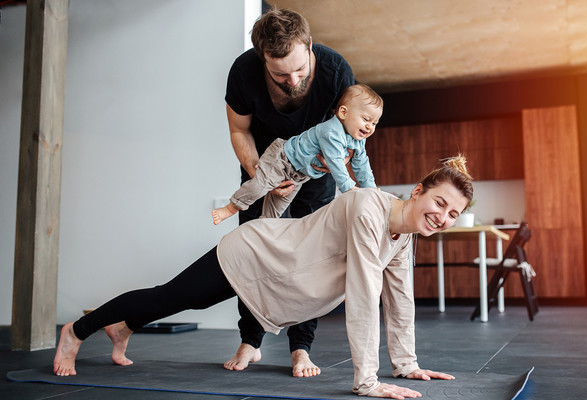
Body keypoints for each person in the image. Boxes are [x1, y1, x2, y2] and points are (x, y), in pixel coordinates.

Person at [53, 155, 474, 398]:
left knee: (185, 300)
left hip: (282, 276)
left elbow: (400, 301)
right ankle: (77, 330)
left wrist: (406, 365)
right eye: (440, 203)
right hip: (257, 252)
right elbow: (364, 295)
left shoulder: (402, 238)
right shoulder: (369, 208)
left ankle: (123, 327)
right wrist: (367, 381)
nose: (443, 217)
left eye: (453, 214)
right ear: (418, 191)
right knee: (174, 297)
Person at [224, 8, 355, 376]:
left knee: (309, 262)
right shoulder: (244, 72)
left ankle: (301, 348)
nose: (292, 80)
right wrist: (259, 173)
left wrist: (327, 166)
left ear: (309, 45)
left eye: (300, 69)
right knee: (253, 256)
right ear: (261, 58)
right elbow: (239, 130)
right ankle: (250, 341)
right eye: (280, 74)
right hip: (264, 174)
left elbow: (350, 135)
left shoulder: (335, 71)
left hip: (316, 180)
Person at [212, 83, 382, 225]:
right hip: (282, 159)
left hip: (299, 174)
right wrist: (349, 188)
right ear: (343, 112)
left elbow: (362, 165)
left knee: (277, 208)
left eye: (375, 123)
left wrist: (371, 190)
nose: (370, 127)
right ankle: (230, 208)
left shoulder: (358, 140)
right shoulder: (330, 132)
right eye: (366, 119)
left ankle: (262, 227)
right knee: (259, 186)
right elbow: (335, 162)